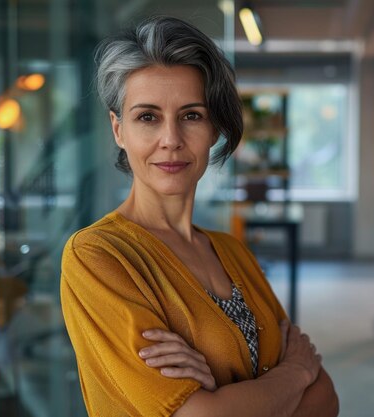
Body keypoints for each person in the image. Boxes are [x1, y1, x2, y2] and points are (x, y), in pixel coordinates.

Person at [60, 16, 339, 417]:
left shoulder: (232, 250)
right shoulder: (97, 256)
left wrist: (222, 396)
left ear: (213, 129)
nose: (170, 140)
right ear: (118, 130)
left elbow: (326, 400)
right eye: (148, 117)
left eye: (191, 115)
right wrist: (294, 374)